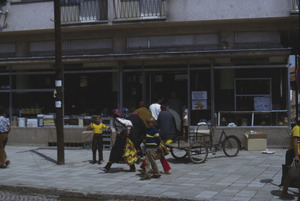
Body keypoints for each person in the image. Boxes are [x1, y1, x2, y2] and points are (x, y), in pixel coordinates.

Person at [140, 104, 172, 174]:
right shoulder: (147, 130)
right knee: (148, 158)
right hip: (149, 147)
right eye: (147, 123)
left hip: (156, 146)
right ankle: (144, 167)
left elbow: (157, 138)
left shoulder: (154, 130)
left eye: (149, 123)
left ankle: (166, 169)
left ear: (153, 123)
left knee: (160, 157)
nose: (148, 124)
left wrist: (159, 145)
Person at [282, 121, 300, 196]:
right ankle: (284, 192)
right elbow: (295, 142)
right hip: (293, 153)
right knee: (290, 174)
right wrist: (296, 155)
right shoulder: (297, 129)